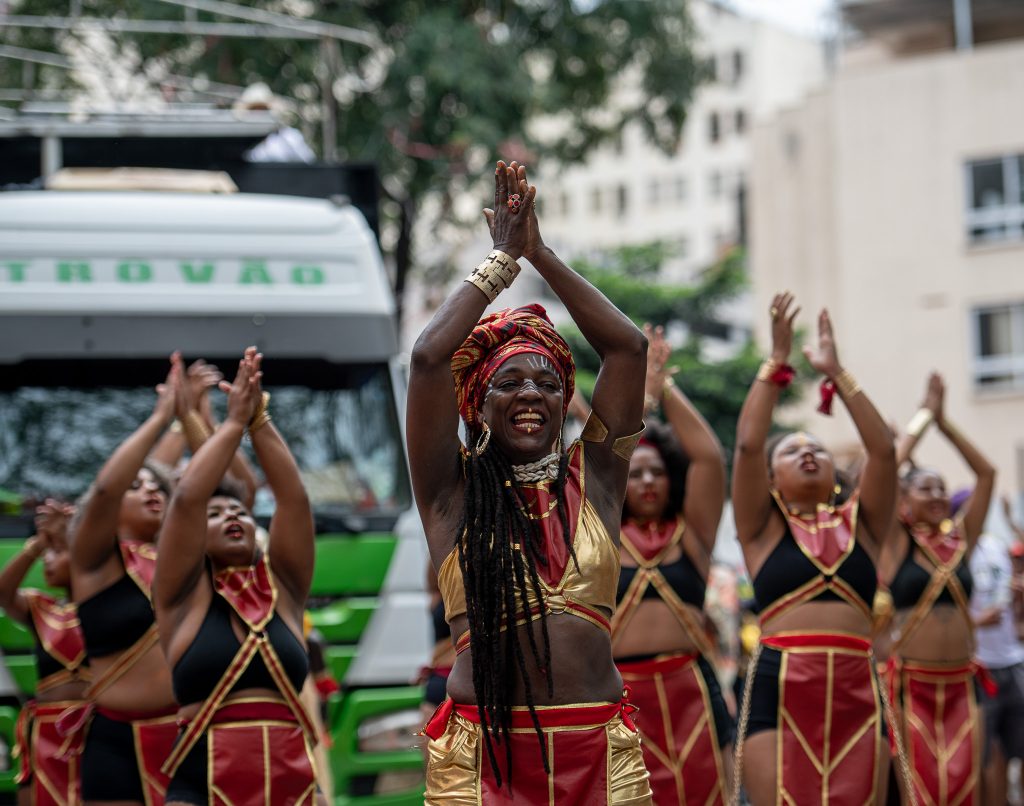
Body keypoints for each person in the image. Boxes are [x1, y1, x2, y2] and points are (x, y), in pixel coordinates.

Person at [409, 161, 652, 803]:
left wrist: (540, 252)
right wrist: (501, 262)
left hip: (597, 753)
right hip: (484, 761)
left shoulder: (596, 479)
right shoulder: (450, 494)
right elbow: (430, 358)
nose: (531, 395)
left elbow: (628, 349)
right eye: (510, 382)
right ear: (477, 405)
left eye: (548, 383)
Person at [731, 293, 896, 805]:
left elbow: (884, 449)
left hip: (857, 688)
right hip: (781, 687)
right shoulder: (760, 527)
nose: (806, 451)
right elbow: (748, 445)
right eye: (792, 450)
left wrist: (837, 374)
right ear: (772, 479)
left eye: (816, 448)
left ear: (835, 474)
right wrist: (776, 365)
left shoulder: (865, 524)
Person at [154, 348, 318, 803]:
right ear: (192, 537)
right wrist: (231, 425)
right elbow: (187, 497)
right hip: (200, 787)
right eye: (217, 512)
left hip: (292, 787)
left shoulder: (284, 589)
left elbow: (294, 501)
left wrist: (259, 421)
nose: (232, 516)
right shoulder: (181, 596)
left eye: (240, 511)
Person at [612, 324, 732, 805]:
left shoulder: (692, 534)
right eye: (635, 472)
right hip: (620, 696)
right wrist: (636, 403)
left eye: (656, 472)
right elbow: (597, 461)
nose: (645, 481)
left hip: (692, 689)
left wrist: (664, 390)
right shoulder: (598, 533)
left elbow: (709, 457)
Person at [880, 372, 996, 806]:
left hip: (962, 681)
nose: (937, 494)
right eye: (925, 487)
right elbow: (886, 468)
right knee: (919, 789)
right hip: (913, 683)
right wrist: (923, 418)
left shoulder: (963, 541)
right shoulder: (895, 543)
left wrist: (946, 422)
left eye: (942, 488)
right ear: (904, 499)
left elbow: (986, 473)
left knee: (969, 786)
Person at [67, 360, 179, 806]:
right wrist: (159, 418)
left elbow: (195, 488)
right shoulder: (94, 560)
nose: (151, 490)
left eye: (156, 487)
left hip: (183, 736)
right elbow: (105, 491)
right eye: (138, 487)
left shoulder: (181, 555)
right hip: (115, 741)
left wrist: (192, 416)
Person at [0, 500, 86, 806]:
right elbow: (4, 591)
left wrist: (81, 535)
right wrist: (38, 543)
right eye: (47, 554)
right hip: (47, 732)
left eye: (57, 552)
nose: (48, 560)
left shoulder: (106, 608)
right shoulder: (43, 608)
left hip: (96, 726)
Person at [970, 521, 1024, 805]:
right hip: (980, 667)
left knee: (1018, 747)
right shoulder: (957, 552)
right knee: (988, 753)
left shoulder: (995, 547)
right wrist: (979, 621)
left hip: (1014, 661)